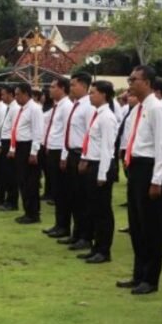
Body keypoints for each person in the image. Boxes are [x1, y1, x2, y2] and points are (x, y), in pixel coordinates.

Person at [117, 65, 162, 294]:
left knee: (151, 227)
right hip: (137, 168)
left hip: (150, 169)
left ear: (148, 83)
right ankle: (139, 273)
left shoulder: (158, 109)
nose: (130, 84)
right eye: (129, 79)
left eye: (135, 80)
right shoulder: (138, 109)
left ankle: (150, 279)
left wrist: (157, 180)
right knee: (137, 225)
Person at [76, 80, 117, 264]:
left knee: (103, 211)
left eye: (93, 93)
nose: (90, 95)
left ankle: (104, 250)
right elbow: (92, 141)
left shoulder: (107, 117)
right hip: (93, 163)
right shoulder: (97, 114)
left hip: (102, 166)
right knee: (93, 208)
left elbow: (108, 148)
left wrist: (102, 174)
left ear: (104, 95)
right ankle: (96, 247)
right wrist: (85, 158)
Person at [58, 72, 96, 251]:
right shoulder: (76, 105)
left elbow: (90, 134)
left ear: (84, 85)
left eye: (73, 85)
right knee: (74, 196)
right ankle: (77, 233)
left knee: (84, 199)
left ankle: (86, 236)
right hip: (72, 154)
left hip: (83, 156)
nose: (70, 88)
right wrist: (65, 156)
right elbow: (70, 133)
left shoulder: (89, 106)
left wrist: (84, 158)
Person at [41, 77, 74, 238]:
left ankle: (64, 226)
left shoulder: (67, 106)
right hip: (52, 150)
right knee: (56, 190)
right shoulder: (57, 106)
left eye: (53, 86)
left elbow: (67, 133)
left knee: (62, 192)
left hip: (60, 152)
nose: (50, 90)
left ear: (62, 88)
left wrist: (64, 155)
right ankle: (59, 224)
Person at [8, 83, 44, 224]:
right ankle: (27, 211)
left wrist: (34, 152)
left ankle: (33, 213)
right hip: (20, 146)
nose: (16, 97)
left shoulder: (35, 109)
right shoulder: (22, 109)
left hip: (29, 147)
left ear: (26, 94)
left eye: (18, 94)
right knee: (22, 181)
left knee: (31, 182)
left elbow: (38, 131)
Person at [0, 86, 20, 212]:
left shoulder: (15, 108)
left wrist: (12, 147)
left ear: (10, 94)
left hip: (10, 142)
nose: (2, 97)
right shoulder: (9, 107)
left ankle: (12, 201)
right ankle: (8, 200)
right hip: (5, 141)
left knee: (11, 174)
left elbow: (14, 129)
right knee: (5, 173)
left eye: (4, 94)